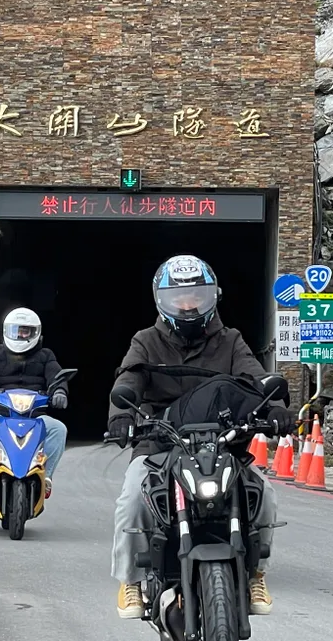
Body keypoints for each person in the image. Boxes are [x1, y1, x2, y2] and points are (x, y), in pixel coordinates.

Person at [107, 254, 294, 620]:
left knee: (265, 496)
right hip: (160, 440)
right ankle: (129, 580)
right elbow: (128, 379)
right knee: (132, 499)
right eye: (179, 298)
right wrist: (122, 417)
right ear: (162, 301)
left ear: (213, 297)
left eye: (197, 296)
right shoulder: (145, 341)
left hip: (221, 442)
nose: (188, 305)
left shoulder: (231, 340)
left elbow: (254, 378)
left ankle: (256, 573)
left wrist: (274, 409)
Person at [0, 307, 69, 498]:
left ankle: (45, 476)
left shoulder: (46, 355)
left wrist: (60, 391)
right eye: (16, 330)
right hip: (1, 413)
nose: (20, 335)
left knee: (59, 429)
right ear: (7, 331)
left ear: (36, 333)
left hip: (35, 415)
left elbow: (56, 376)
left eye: (25, 331)